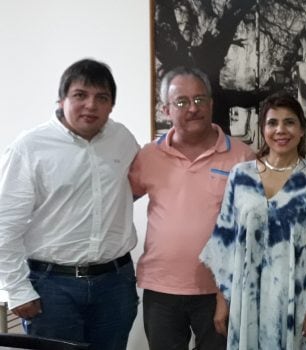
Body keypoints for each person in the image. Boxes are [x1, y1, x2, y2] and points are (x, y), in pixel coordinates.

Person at [0, 58, 139, 349]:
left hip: (115, 283)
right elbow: (5, 224)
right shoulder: (30, 148)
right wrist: (17, 289)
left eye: (102, 98)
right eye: (80, 95)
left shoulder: (122, 139)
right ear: (62, 99)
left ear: (111, 105)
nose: (91, 105)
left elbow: (133, 188)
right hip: (52, 287)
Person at [200, 92, 306, 349]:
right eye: (272, 123)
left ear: (302, 130)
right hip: (246, 300)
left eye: (289, 122)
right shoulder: (240, 176)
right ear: (263, 129)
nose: (281, 130)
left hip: (294, 298)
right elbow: (225, 244)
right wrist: (222, 302)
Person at [129, 67, 255, 350]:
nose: (192, 109)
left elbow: (252, 227)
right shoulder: (148, 155)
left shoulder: (242, 156)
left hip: (219, 290)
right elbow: (115, 203)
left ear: (211, 104)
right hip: (161, 288)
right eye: (182, 102)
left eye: (199, 100)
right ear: (166, 110)